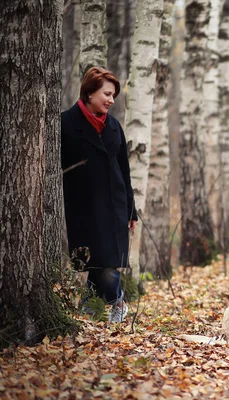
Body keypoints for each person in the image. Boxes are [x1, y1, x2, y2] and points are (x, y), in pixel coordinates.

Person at [61, 67, 137, 323]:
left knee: (107, 263)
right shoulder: (66, 123)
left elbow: (124, 171)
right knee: (94, 263)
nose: (111, 100)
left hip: (114, 206)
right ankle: (100, 306)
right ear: (89, 92)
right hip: (83, 207)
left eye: (113, 95)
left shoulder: (114, 126)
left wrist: (131, 209)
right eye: (107, 94)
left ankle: (112, 304)